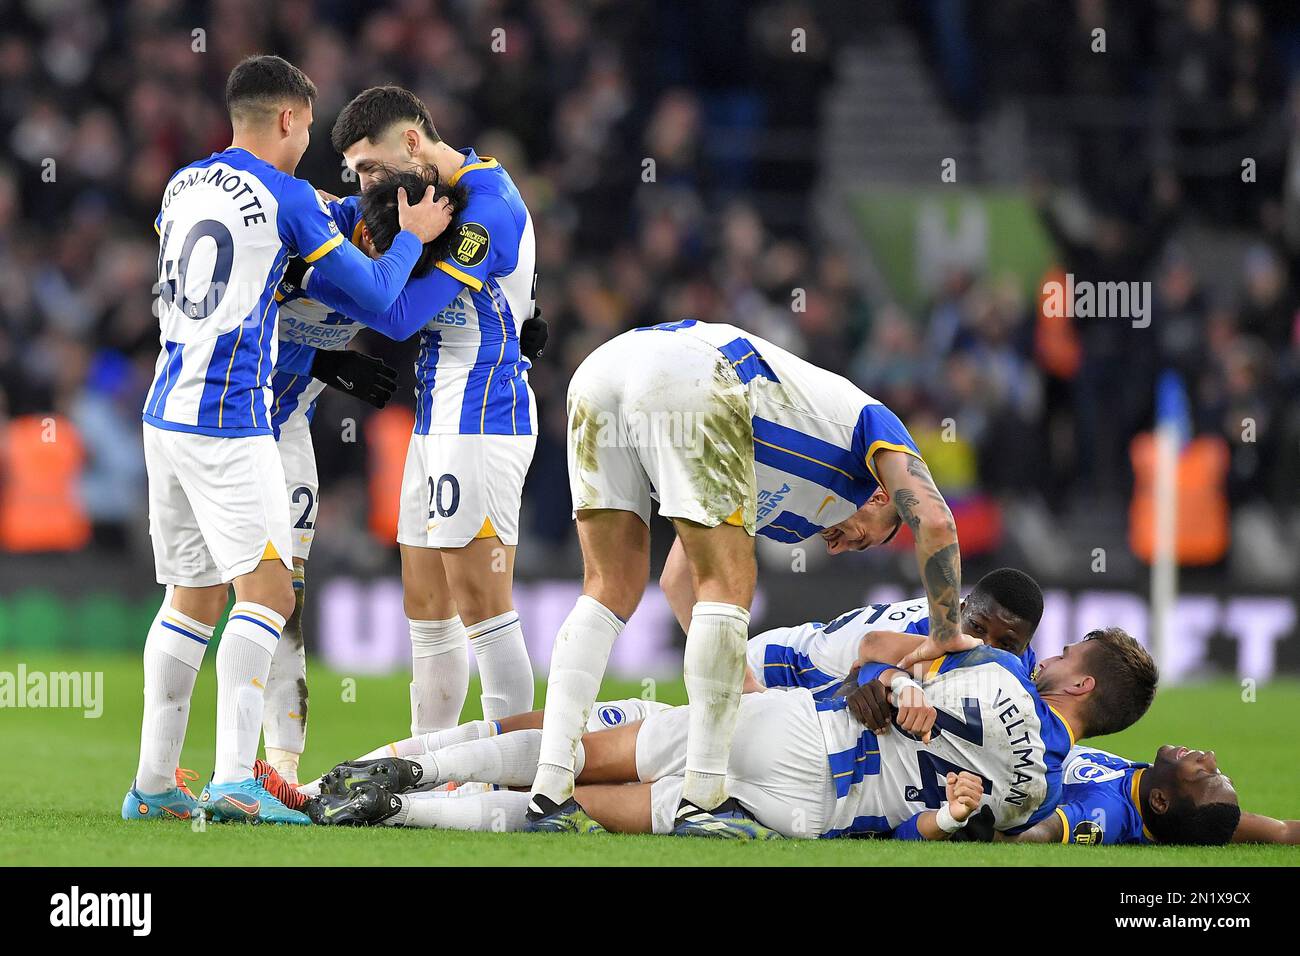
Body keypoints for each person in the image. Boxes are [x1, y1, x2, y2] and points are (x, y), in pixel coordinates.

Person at [123, 55, 450, 825]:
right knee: (268, 593)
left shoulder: (182, 185)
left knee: (190, 602)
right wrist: (412, 236)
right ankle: (239, 779)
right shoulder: (288, 195)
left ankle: (153, 784)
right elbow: (373, 293)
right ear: (289, 119)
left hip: (165, 409)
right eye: (308, 127)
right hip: (230, 418)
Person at [525, 317, 965, 835]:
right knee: (730, 585)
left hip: (601, 371)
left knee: (609, 588)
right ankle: (704, 800)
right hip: (697, 374)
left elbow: (675, 582)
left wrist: (743, 685)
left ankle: (550, 793)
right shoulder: (875, 426)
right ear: (879, 496)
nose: (841, 545)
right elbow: (934, 520)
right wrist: (944, 632)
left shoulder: (785, 489)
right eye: (863, 536)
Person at [308, 628, 1158, 841]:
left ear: (1080, 681)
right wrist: (950, 816)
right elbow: (917, 833)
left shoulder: (1001, 670)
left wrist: (898, 682)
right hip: (816, 818)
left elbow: (876, 669)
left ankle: (392, 777)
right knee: (589, 814)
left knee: (588, 751)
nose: (1051, 655)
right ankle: (400, 815)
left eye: (1069, 655)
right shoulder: (1036, 793)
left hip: (794, 736)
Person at [287, 86, 542, 737]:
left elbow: (399, 316)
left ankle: (515, 778)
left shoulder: (489, 207)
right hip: (439, 420)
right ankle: (433, 761)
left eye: (371, 166)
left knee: (483, 604)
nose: (365, 182)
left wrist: (318, 279)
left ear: (410, 144)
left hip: (484, 416)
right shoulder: (418, 197)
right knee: (426, 607)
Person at [258, 168, 471, 784]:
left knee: (284, 595)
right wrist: (323, 356)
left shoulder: (404, 252)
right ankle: (171, 771)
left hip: (290, 425)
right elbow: (230, 314)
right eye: (385, 254)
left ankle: (281, 771)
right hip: (230, 423)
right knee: (202, 597)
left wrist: (526, 325)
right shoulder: (302, 227)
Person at [995, 744, 1296, 845]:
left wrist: (979, 827)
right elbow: (1282, 831)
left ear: (1160, 801)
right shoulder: (1205, 819)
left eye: (1203, 772)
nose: (1209, 755)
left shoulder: (1108, 812)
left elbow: (1045, 832)